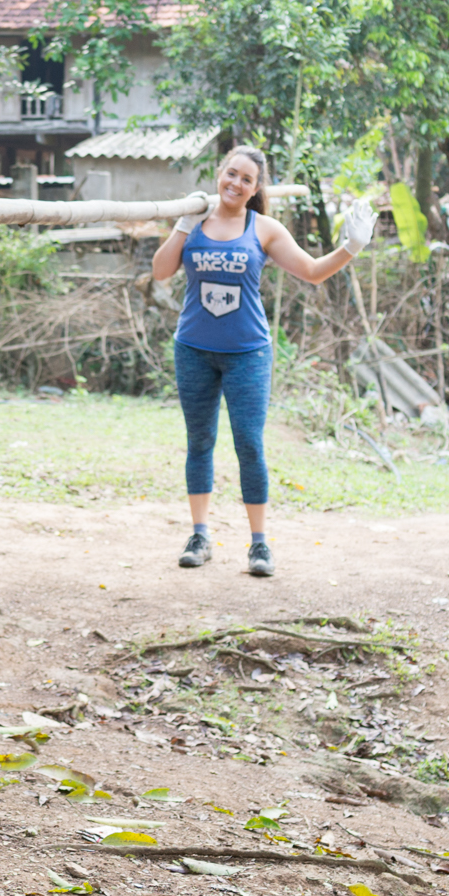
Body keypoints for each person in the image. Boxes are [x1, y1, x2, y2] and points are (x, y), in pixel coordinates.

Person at [150, 146, 373, 576]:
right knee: (199, 442)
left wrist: (352, 247)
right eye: (230, 174)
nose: (235, 183)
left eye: (246, 179)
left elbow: (311, 271)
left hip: (248, 354)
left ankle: (259, 545)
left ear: (255, 189)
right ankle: (199, 535)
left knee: (249, 445)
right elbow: (161, 271)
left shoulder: (264, 229)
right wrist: (181, 226)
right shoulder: (194, 221)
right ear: (219, 174)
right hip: (193, 349)